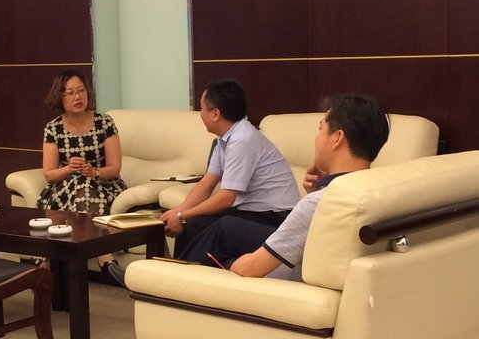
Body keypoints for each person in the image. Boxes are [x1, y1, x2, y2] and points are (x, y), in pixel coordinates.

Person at [181, 93, 390, 281]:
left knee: (219, 244)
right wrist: (316, 190)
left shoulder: (318, 203)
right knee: (227, 228)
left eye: (320, 128)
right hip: (319, 265)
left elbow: (250, 268)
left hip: (289, 280)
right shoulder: (380, 191)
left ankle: (172, 281)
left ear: (337, 138)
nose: (316, 137)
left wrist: (231, 264)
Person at [161, 79, 300, 257]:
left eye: (201, 108)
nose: (200, 114)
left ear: (215, 114)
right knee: (193, 223)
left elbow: (226, 199)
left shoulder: (242, 139)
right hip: (253, 213)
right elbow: (207, 183)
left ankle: (182, 269)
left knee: (213, 225)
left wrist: (183, 216)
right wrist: (179, 212)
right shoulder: (225, 139)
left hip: (275, 218)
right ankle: (178, 269)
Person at [37, 69, 128, 284]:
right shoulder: (53, 128)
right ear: (60, 97)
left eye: (81, 91)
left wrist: (94, 172)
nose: (77, 97)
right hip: (64, 187)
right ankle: (105, 258)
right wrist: (69, 169)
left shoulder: (104, 122)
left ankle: (48, 263)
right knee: (79, 184)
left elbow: (115, 168)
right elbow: (49, 174)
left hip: (103, 185)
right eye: (70, 93)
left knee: (85, 186)